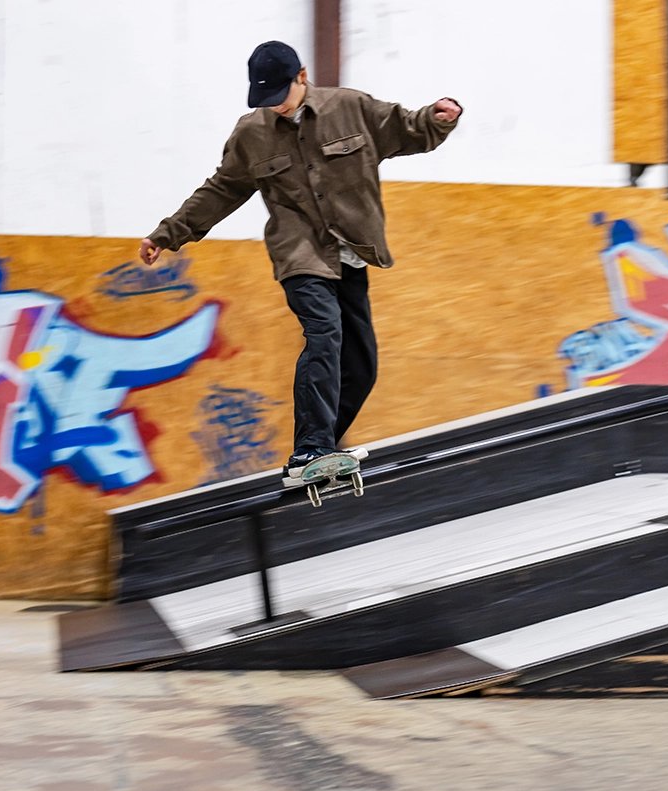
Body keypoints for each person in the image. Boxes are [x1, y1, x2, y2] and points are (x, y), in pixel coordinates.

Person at [139, 40, 461, 481]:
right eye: (265, 102)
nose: (275, 109)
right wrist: (168, 233)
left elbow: (405, 127)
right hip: (300, 254)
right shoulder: (251, 133)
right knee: (324, 333)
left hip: (351, 253)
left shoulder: (350, 107)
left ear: (302, 77)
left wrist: (438, 117)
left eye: (281, 98)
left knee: (361, 366)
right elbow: (222, 190)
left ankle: (322, 451)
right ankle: (309, 449)